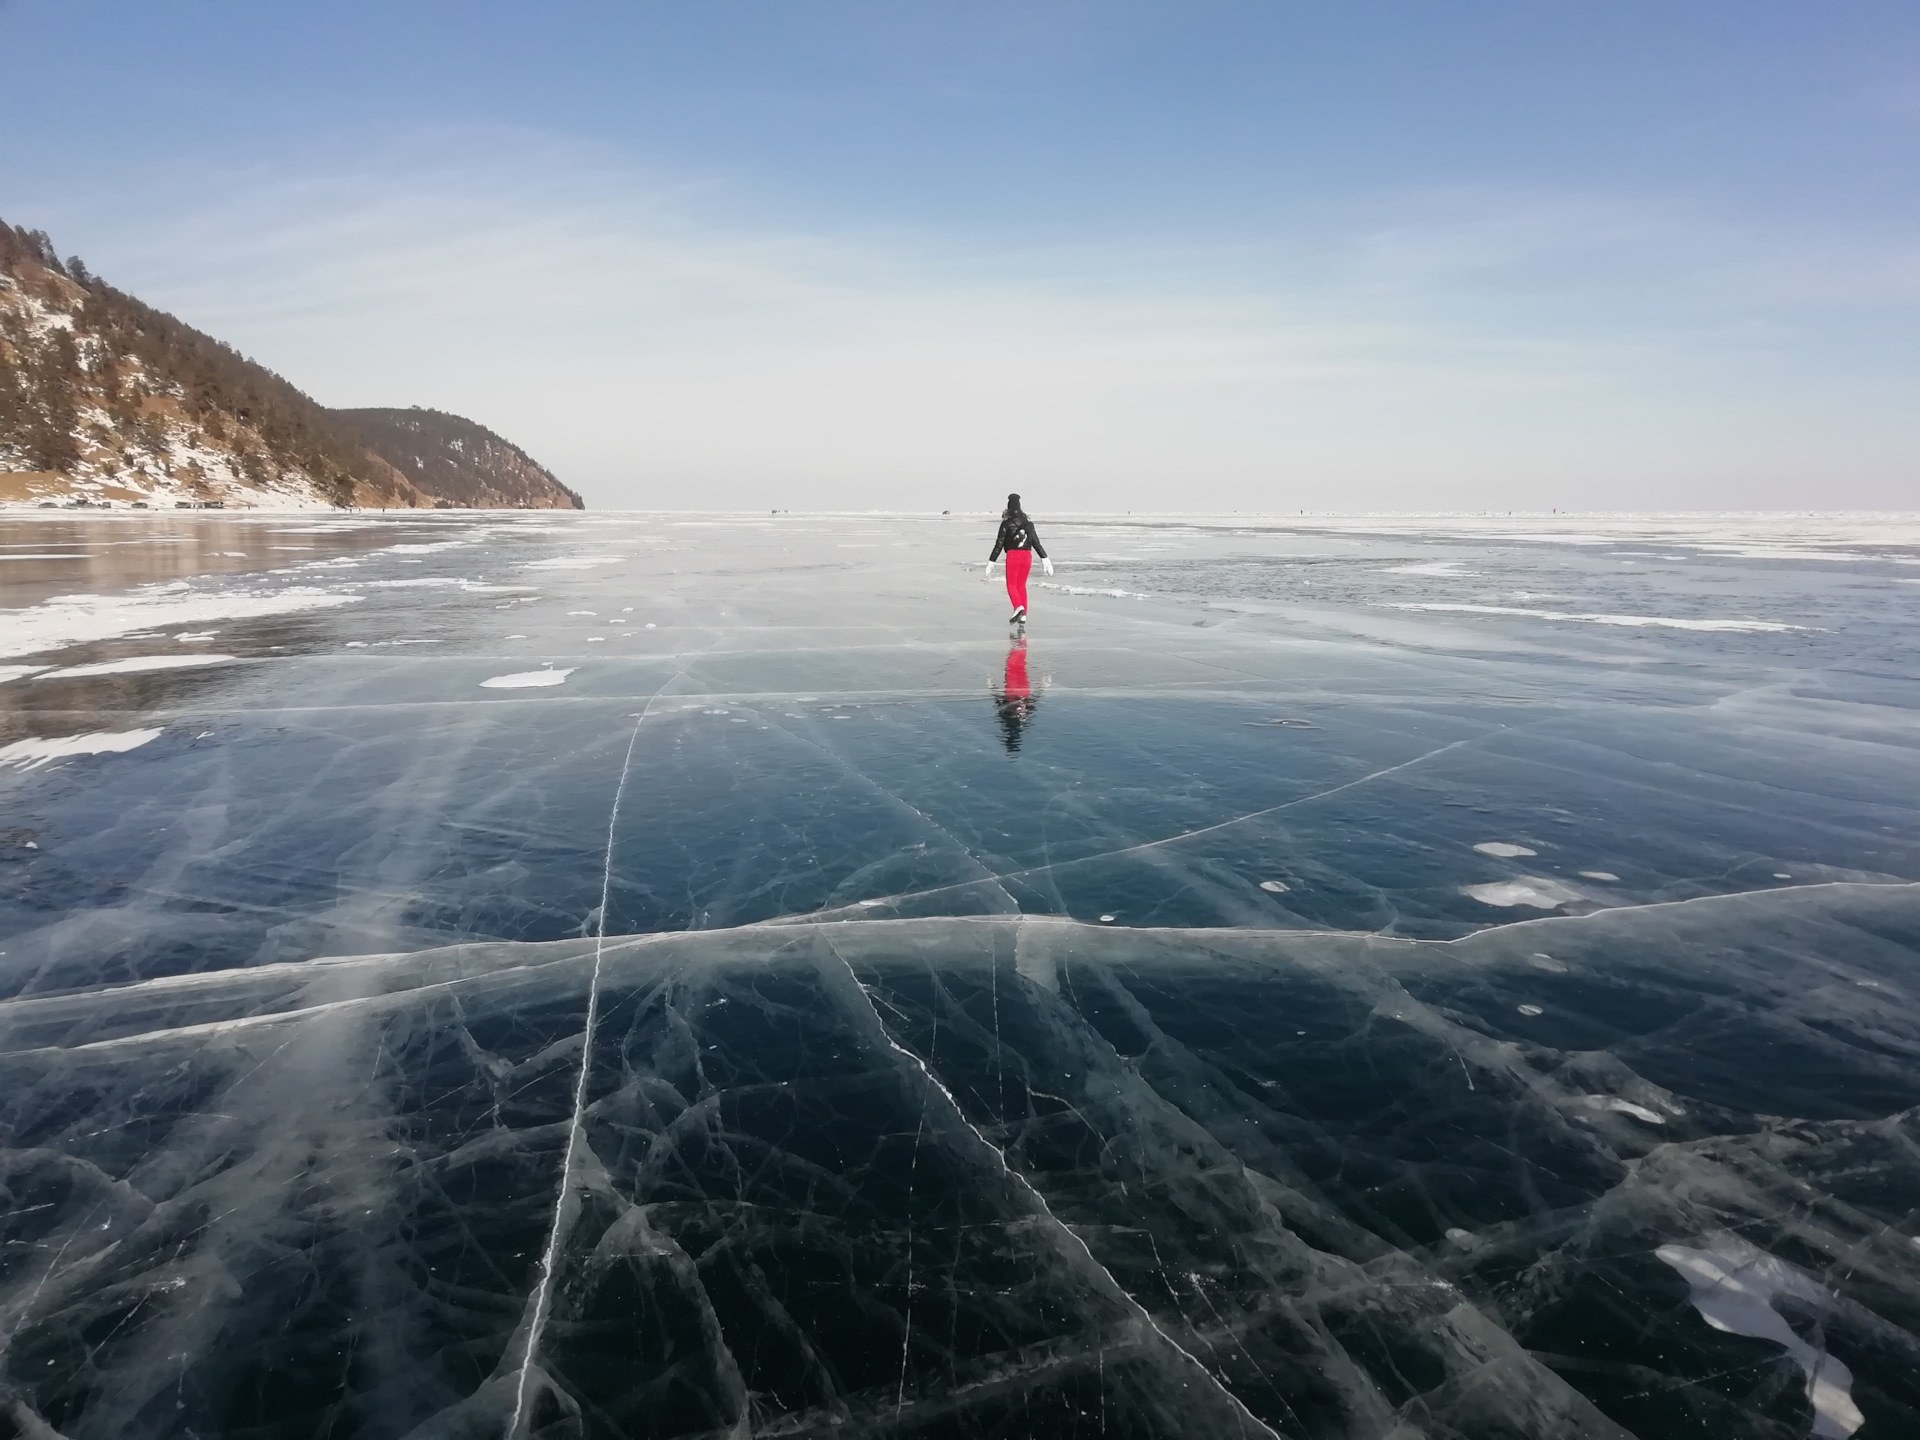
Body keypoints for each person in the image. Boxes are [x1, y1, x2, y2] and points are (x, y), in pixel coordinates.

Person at [985, 493, 1052, 625]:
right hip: (1027, 556)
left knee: (1011, 585)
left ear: (1008, 509)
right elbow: (1036, 543)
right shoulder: (1029, 524)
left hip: (1013, 556)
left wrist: (991, 561)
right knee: (1021, 586)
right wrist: (1045, 558)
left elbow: (999, 543)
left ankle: (1018, 607)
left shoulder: (1005, 524)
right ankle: (1023, 615)